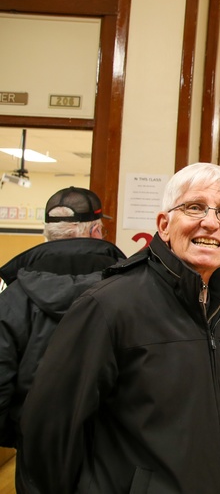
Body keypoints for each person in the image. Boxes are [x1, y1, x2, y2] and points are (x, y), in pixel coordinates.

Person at [21, 163, 220, 493]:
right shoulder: (109, 305)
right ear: (164, 224)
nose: (211, 222)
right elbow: (48, 433)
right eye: (195, 207)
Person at [0, 186, 126, 493]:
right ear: (97, 230)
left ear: (47, 233)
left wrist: (18, 435)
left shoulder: (13, 295)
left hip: (36, 446)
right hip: (115, 446)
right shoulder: (130, 288)